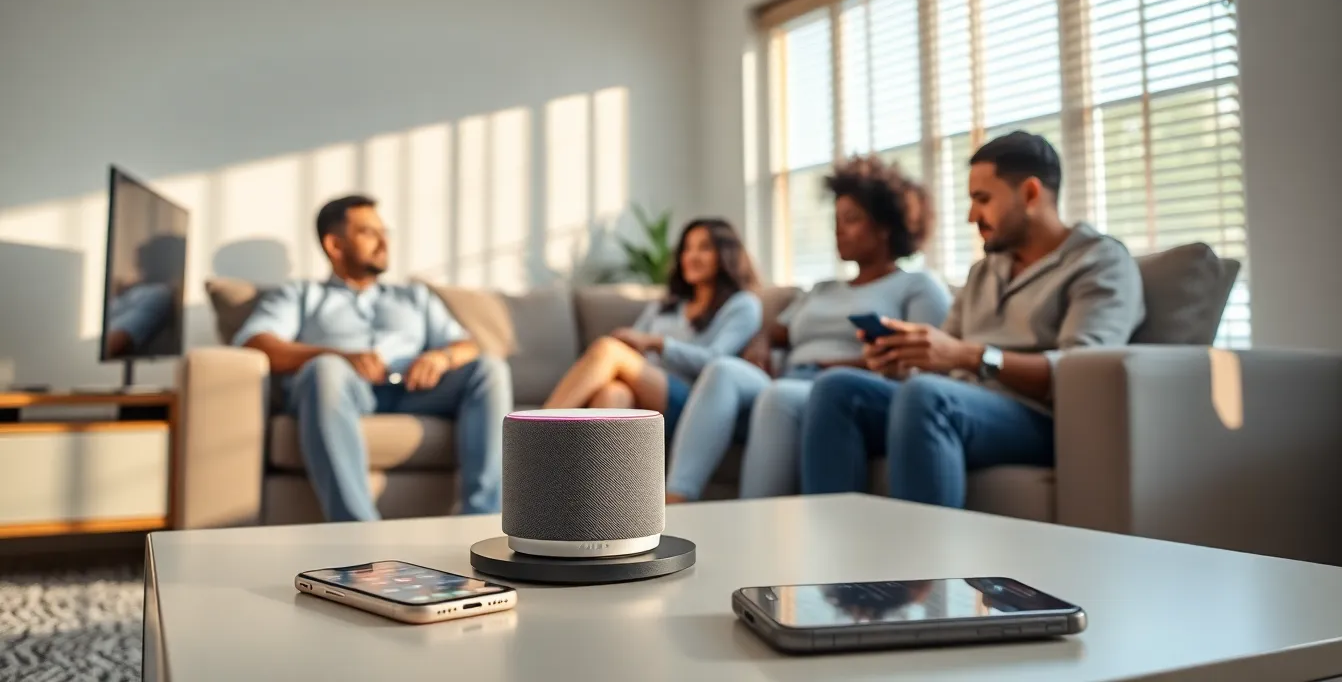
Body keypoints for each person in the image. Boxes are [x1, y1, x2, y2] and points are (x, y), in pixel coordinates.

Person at [799, 131, 1146, 507]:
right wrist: (903, 361)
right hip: (958, 402)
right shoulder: (984, 270)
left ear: (1030, 194)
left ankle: (927, 567)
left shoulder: (1100, 262)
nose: (971, 216)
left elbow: (1080, 372)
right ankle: (833, 554)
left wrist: (971, 357)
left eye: (982, 199)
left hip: (1039, 417)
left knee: (927, 397)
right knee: (837, 389)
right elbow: (942, 358)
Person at [663, 157, 951, 504]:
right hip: (788, 377)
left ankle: (757, 522)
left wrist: (848, 365)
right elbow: (777, 330)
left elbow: (928, 362)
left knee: (778, 396)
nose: (838, 230)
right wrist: (761, 342)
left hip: (840, 391)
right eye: (836, 220)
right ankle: (676, 500)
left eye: (852, 220)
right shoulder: (822, 289)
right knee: (722, 369)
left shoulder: (917, 286)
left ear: (885, 226)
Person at [233, 194, 511, 521]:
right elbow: (256, 342)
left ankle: (481, 518)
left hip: (416, 390)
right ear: (335, 245)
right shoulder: (301, 294)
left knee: (489, 369)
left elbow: (468, 345)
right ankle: (358, 528)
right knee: (324, 370)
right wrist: (340, 356)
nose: (384, 242)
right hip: (343, 392)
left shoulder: (414, 296)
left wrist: (441, 357)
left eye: (384, 232)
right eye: (368, 233)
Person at [542, 218, 762, 429]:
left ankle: (531, 433)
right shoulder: (668, 304)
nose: (691, 256)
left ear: (726, 254)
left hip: (694, 398)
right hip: (645, 387)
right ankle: (584, 467)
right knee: (613, 393)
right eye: (687, 248)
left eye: (704, 248)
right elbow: (635, 343)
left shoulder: (742, 305)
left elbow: (715, 360)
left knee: (607, 350)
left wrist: (658, 343)